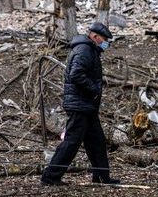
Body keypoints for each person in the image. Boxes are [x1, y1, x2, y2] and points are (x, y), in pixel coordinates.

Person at [40, 22, 120, 186]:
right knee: (71, 142)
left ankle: (101, 177)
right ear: (95, 36)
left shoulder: (89, 49)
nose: (106, 43)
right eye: (104, 40)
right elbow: (76, 74)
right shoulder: (84, 50)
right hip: (80, 105)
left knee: (97, 142)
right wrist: (94, 89)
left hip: (87, 105)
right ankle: (50, 176)